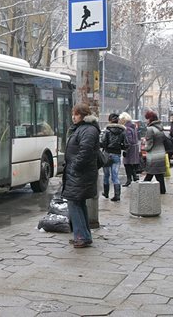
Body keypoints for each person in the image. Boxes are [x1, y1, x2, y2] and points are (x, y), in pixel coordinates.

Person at [62, 103, 99, 248]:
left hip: (79, 174)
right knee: (79, 203)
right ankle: (84, 235)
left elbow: (85, 151)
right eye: (73, 113)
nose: (73, 116)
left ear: (83, 115)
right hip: (78, 174)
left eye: (76, 114)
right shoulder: (82, 129)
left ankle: (81, 236)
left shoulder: (87, 130)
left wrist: (74, 166)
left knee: (74, 203)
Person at [100, 113, 129, 201]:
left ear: (109, 120)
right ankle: (117, 195)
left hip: (107, 154)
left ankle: (106, 193)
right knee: (115, 175)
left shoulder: (107, 131)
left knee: (106, 175)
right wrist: (121, 148)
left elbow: (103, 142)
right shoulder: (123, 131)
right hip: (116, 154)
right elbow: (126, 144)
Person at [143, 110, 167, 194]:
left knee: (150, 173)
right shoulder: (160, 127)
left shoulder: (150, 129)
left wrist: (144, 147)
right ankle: (162, 190)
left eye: (147, 118)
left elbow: (149, 144)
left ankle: (142, 190)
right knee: (159, 174)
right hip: (161, 153)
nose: (146, 120)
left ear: (150, 119)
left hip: (153, 155)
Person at [119, 112, 140, 186]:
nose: (120, 121)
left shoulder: (126, 128)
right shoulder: (133, 126)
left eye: (121, 119)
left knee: (127, 164)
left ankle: (129, 180)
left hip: (129, 149)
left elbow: (128, 140)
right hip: (134, 148)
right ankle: (134, 177)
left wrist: (125, 149)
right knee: (131, 164)